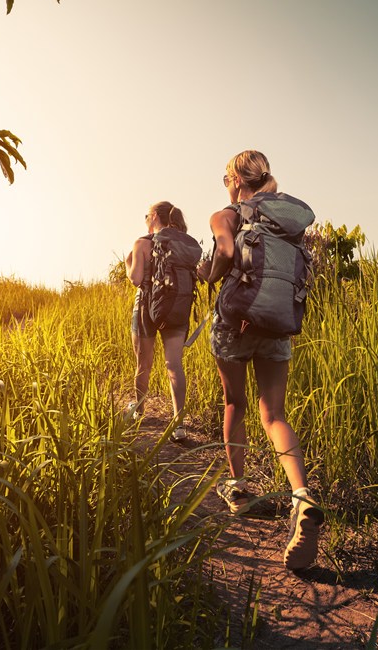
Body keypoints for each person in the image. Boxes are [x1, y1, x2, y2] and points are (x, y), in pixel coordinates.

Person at [196, 149, 324, 570]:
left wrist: (206, 272)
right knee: (275, 416)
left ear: (236, 178)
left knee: (236, 403)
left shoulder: (227, 214)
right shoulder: (286, 219)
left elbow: (225, 255)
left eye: (225, 177)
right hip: (276, 324)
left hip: (235, 324)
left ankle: (238, 490)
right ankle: (302, 496)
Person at [125, 201, 199, 442]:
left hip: (146, 305)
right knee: (174, 365)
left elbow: (136, 279)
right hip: (175, 305)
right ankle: (179, 424)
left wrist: (128, 265)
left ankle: (139, 410)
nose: (146, 219)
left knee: (143, 363)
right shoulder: (180, 244)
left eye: (147, 215)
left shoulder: (142, 243)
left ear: (154, 216)